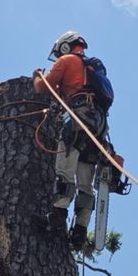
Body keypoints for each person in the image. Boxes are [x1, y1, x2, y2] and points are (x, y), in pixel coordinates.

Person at [33, 30, 109, 249]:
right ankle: (80, 232)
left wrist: (38, 75)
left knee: (65, 171)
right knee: (86, 183)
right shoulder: (89, 70)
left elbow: (42, 87)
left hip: (78, 120)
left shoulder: (67, 61)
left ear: (65, 47)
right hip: (98, 125)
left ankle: (57, 218)